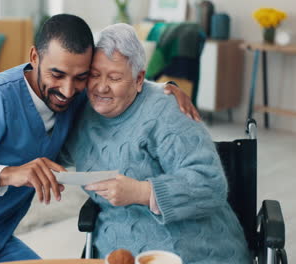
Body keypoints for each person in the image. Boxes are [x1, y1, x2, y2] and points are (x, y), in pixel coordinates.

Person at [0, 15, 197, 264]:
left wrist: (163, 89)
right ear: (34, 57)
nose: (68, 90)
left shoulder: (73, 96)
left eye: (81, 77)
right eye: (57, 74)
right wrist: (11, 174)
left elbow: (116, 86)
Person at [61, 23, 251, 263]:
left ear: (139, 78)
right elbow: (50, 147)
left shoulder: (166, 110)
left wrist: (142, 191)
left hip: (196, 250)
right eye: (95, 75)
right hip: (122, 250)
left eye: (115, 77)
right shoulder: (81, 112)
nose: (101, 87)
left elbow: (210, 183)